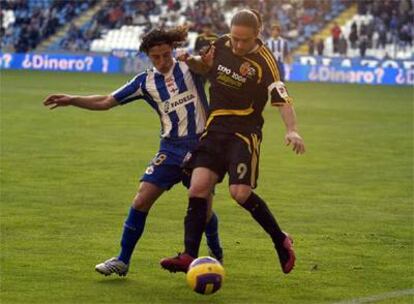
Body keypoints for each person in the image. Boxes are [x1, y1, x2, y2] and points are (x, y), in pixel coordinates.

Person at [43, 27, 223, 277]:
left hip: (202, 145)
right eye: (155, 57)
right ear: (148, 56)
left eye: (165, 55)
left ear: (172, 50)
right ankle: (122, 260)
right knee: (141, 198)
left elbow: (207, 68)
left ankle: (216, 252)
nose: (161, 61)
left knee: (202, 209)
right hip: (170, 147)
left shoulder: (188, 67)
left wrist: (196, 58)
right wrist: (73, 99)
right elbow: (107, 101)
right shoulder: (144, 81)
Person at [160, 9, 305, 275]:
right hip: (215, 131)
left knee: (239, 193)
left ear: (257, 35)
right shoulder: (220, 44)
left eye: (244, 40)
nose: (237, 45)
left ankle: (280, 239)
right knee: (197, 188)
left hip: (243, 134)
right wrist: (191, 60)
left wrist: (292, 129)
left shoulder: (266, 62)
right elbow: (205, 67)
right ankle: (189, 255)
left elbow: (282, 98)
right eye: (235, 38)